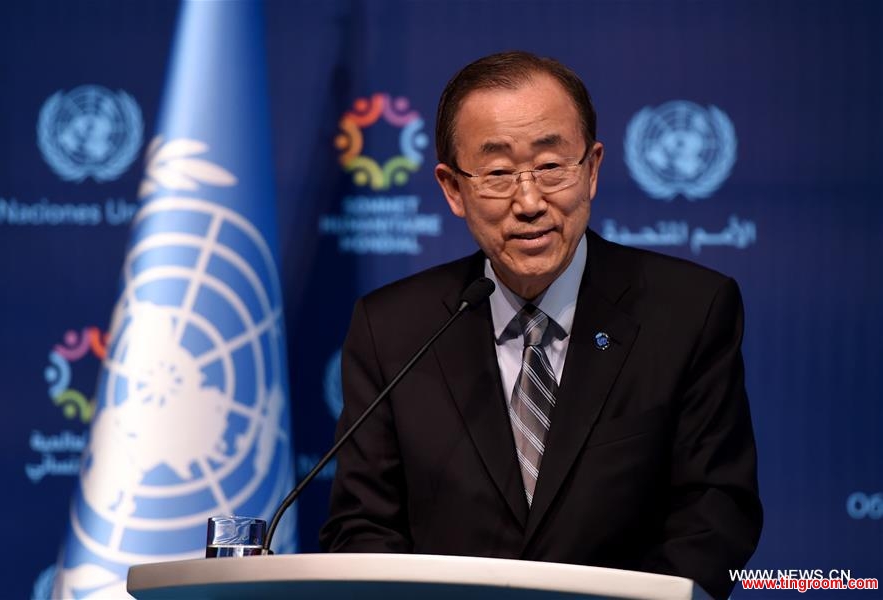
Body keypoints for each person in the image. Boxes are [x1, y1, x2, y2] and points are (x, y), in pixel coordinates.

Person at [320, 51, 761, 600]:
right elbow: (363, 529)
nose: (529, 202)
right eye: (499, 173)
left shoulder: (689, 310)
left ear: (592, 168)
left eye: (552, 167)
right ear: (453, 189)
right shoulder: (392, 328)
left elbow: (714, 516)